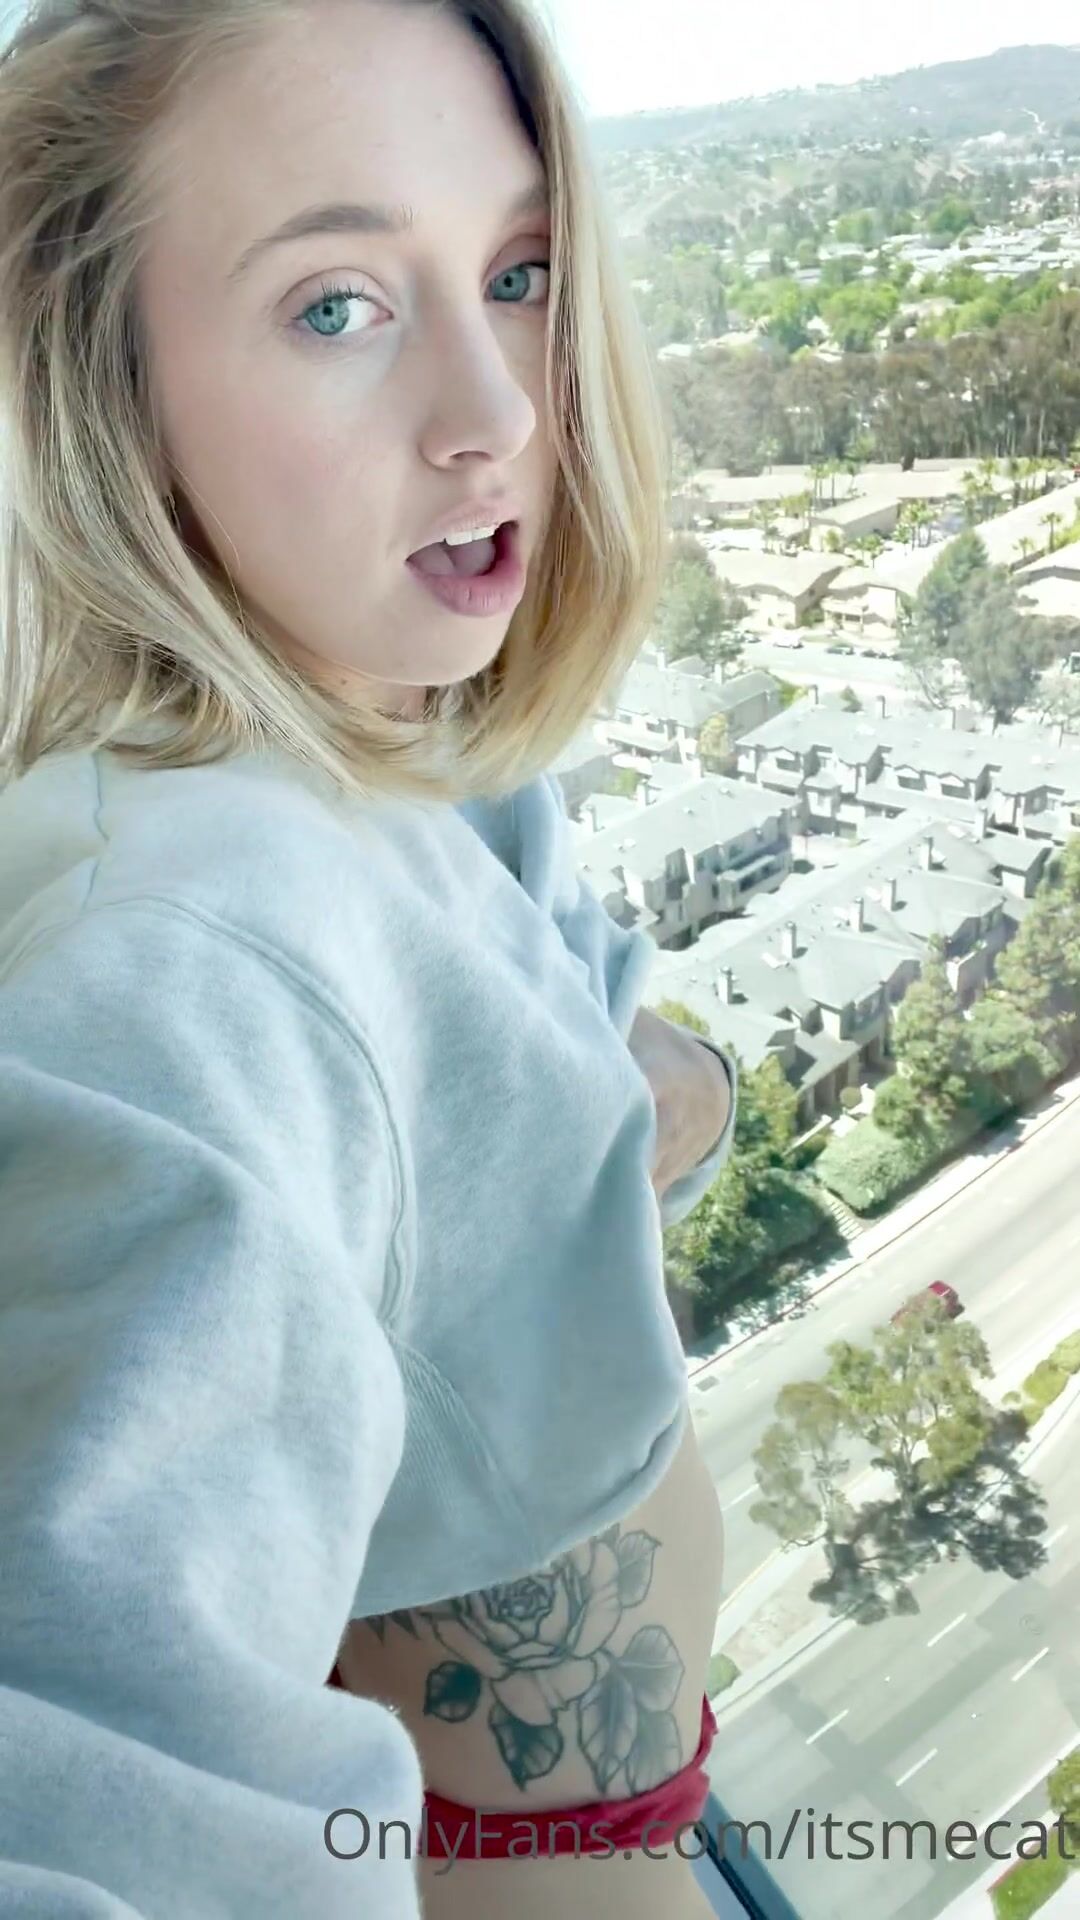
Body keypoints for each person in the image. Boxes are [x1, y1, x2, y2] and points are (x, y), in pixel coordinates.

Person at [0, 2, 737, 1916]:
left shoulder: (403, 740)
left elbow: (549, 1056)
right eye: (336, 305)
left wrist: (659, 1106)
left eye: (518, 274)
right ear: (101, 381)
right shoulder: (183, 958)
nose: (495, 410)